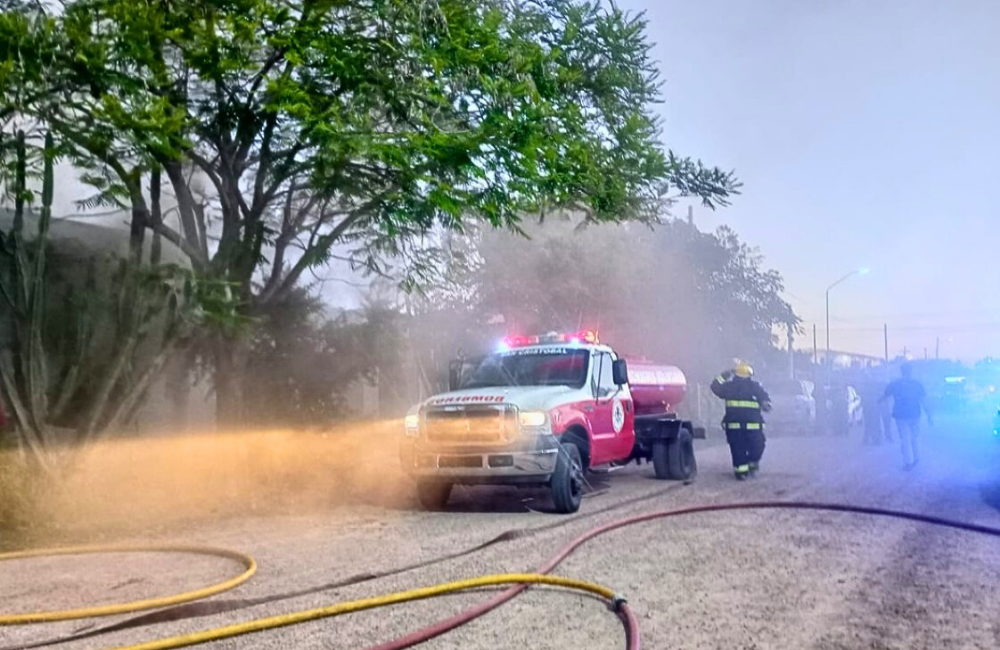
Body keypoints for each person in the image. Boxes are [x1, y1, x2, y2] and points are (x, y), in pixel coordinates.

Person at [711, 362, 771, 480]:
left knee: (740, 449)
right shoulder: (751, 387)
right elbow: (765, 399)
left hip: (739, 427)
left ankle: (743, 471)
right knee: (755, 447)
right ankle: (745, 469)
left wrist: (726, 374)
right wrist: (766, 404)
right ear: (750, 374)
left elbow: (715, 386)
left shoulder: (733, 387)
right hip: (747, 427)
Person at [880, 362, 932, 470]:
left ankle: (908, 462)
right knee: (914, 438)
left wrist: (875, 401)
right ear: (911, 371)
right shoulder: (917, 385)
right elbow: (924, 401)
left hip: (901, 415)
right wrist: (929, 415)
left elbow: (884, 396)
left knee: (905, 438)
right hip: (915, 414)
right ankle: (916, 457)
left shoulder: (895, 384)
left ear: (901, 371)